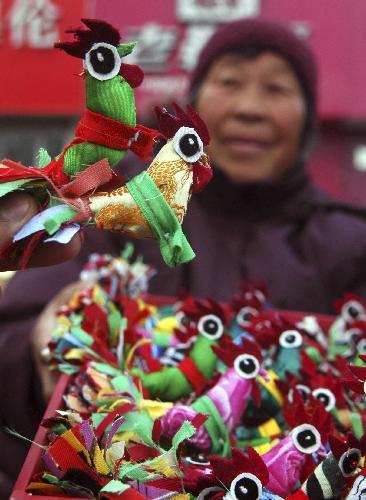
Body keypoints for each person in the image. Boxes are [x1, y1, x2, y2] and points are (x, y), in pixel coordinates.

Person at [2, 16, 366, 495]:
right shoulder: (114, 198)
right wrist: (41, 348)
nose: (249, 108)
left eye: (276, 89)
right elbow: (13, 331)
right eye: (229, 82)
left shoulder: (350, 240)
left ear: (309, 117)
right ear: (195, 98)